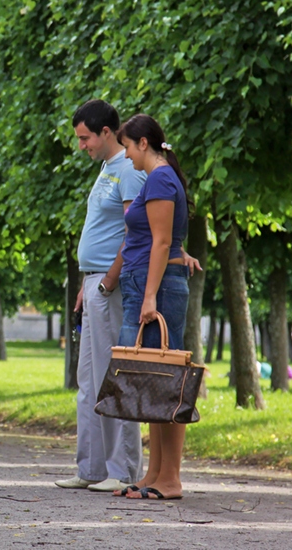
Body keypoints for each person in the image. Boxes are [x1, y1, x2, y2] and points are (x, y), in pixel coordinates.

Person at [55, 100, 147, 493]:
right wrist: (86, 283)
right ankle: (90, 468)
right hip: (93, 285)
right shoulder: (107, 170)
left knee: (115, 377)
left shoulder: (128, 170)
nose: (82, 146)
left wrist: (107, 281)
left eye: (85, 138)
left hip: (110, 287)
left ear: (106, 132)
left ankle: (122, 470)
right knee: (88, 380)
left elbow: (133, 233)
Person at [115, 113, 193, 501]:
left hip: (155, 289)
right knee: (152, 381)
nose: (126, 154)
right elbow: (165, 239)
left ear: (143, 143)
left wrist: (149, 297)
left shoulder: (160, 177)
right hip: (149, 283)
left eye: (127, 146)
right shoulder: (158, 178)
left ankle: (171, 479)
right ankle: (155, 473)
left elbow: (162, 242)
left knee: (166, 381)